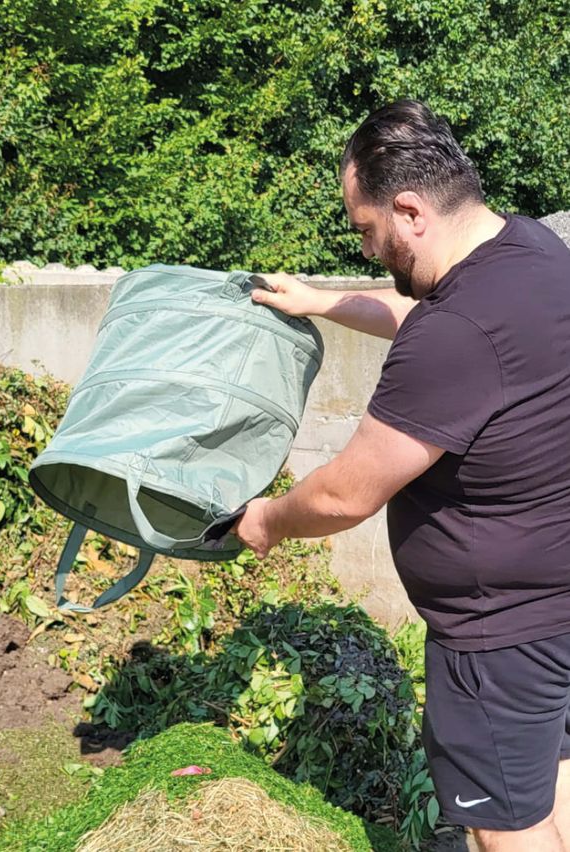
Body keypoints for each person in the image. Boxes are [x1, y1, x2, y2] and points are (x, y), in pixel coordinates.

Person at [233, 99, 570, 852]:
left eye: (367, 229)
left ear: (410, 210)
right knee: (553, 789)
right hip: (558, 610)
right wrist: (322, 303)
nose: (367, 249)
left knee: (504, 829)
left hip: (496, 637)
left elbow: (347, 493)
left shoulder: (455, 337)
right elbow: (433, 313)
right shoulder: (531, 252)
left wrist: (264, 521)